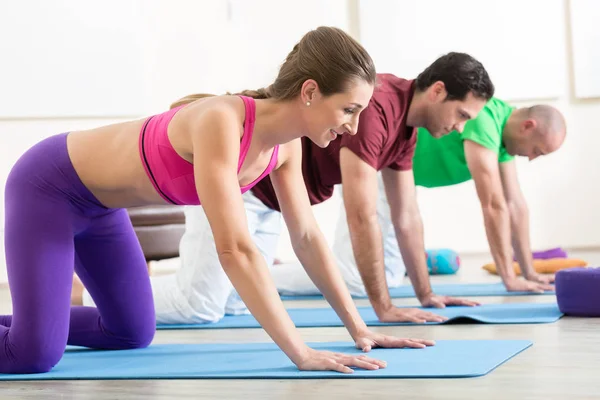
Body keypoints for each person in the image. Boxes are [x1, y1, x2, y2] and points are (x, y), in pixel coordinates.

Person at [0, 26, 433, 375]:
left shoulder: (288, 148)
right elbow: (236, 250)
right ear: (310, 91)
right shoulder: (221, 121)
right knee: (34, 355)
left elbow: (306, 237)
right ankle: (35, 333)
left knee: (131, 332)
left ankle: (36, 326)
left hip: (101, 212)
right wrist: (301, 352)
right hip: (49, 188)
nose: (354, 128)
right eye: (348, 110)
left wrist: (361, 330)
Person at [127, 52, 494, 326]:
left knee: (235, 302)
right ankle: (90, 293)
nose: (461, 128)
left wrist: (425, 294)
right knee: (200, 306)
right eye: (462, 115)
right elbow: (361, 214)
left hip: (269, 194)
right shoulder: (376, 109)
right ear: (438, 91)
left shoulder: (407, 130)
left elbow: (406, 216)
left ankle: (157, 282)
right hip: (238, 183)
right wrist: (382, 308)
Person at [367, 98, 567, 294]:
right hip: (376, 162)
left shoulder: (504, 133)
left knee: (389, 275)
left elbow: (515, 205)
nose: (531, 158)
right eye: (536, 151)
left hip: (397, 175)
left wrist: (529, 272)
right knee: (359, 282)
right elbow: (493, 204)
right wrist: (509, 279)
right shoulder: (485, 119)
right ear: (528, 126)